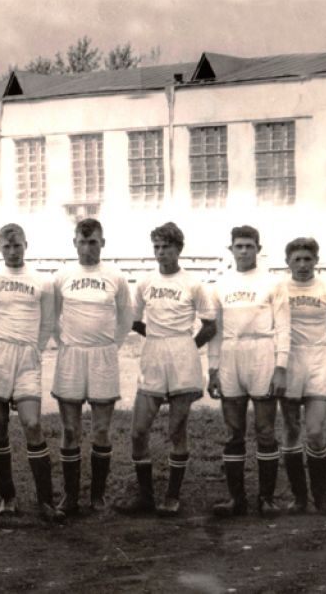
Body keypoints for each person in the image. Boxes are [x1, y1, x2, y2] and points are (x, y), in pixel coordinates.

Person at [116, 222, 215, 517]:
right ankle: (146, 496)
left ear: (178, 249)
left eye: (166, 247)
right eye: (157, 247)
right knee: (138, 431)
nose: (161, 253)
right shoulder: (145, 282)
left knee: (176, 429)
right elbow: (134, 320)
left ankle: (172, 496)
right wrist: (157, 336)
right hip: (154, 354)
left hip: (183, 355)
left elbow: (210, 325)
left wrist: (187, 346)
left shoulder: (193, 284)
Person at [0, 223, 62, 521]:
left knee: (32, 423)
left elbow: (47, 323)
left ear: (26, 245)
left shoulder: (42, 281)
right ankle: (7, 497)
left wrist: (33, 349)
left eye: (17, 246)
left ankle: (45, 501)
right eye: (7, 246)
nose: (13, 251)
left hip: (27, 356)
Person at [50, 218, 133, 517]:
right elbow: (52, 318)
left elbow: (126, 318)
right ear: (75, 243)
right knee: (70, 430)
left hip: (103, 357)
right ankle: (70, 496)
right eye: (83, 242)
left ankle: (97, 496)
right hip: (71, 355)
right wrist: (65, 342)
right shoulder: (62, 276)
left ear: (103, 243)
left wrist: (111, 346)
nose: (88, 248)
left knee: (100, 429)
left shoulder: (115, 276)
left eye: (93, 242)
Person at [207, 225, 289, 517]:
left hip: (262, 353)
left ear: (258, 248)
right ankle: (236, 499)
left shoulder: (273, 283)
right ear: (231, 249)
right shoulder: (220, 284)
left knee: (265, 431)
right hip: (231, 355)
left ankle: (266, 498)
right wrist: (213, 368)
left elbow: (283, 328)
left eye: (249, 246)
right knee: (234, 432)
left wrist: (281, 367)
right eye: (239, 246)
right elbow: (215, 331)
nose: (243, 251)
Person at [280, 238, 326, 513]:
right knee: (292, 430)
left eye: (308, 259)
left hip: (319, 359)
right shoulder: (279, 290)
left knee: (315, 431)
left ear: (316, 261)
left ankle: (322, 495)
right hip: (290, 360)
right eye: (297, 259)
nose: (303, 264)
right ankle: (299, 497)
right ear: (288, 262)